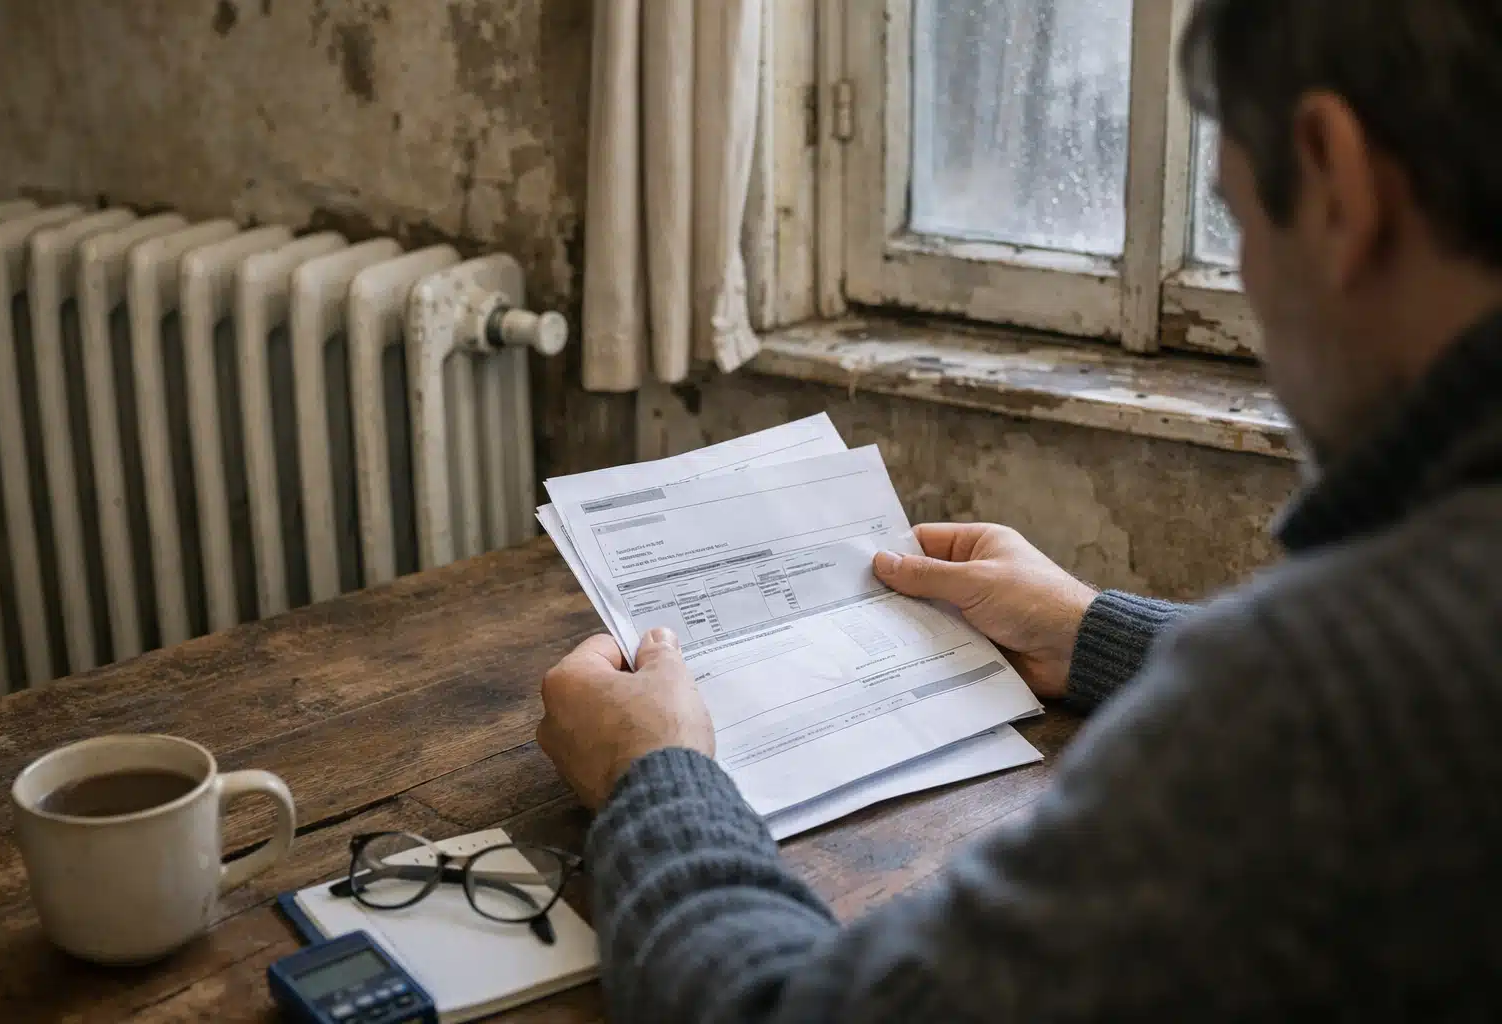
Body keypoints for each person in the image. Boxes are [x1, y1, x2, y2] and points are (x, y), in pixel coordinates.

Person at [536, 0, 1502, 1018]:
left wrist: (656, 774)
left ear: (1337, 179)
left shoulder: (1315, 705)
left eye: (1237, 214)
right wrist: (1092, 631)